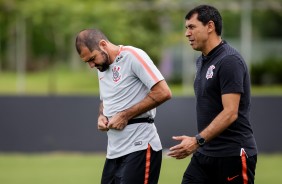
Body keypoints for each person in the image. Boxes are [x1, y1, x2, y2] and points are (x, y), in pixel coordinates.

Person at [168, 5, 257, 184]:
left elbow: (230, 112)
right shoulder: (201, 61)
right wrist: (200, 143)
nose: (187, 33)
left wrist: (197, 140)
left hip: (232, 154)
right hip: (205, 154)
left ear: (210, 26)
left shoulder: (229, 61)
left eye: (192, 27)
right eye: (186, 28)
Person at [75, 29, 172, 184]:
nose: (91, 65)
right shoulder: (102, 66)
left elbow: (163, 92)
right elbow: (105, 100)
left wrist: (125, 115)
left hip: (140, 146)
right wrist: (102, 115)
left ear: (103, 44)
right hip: (114, 151)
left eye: (92, 59)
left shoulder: (132, 56)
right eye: (87, 62)